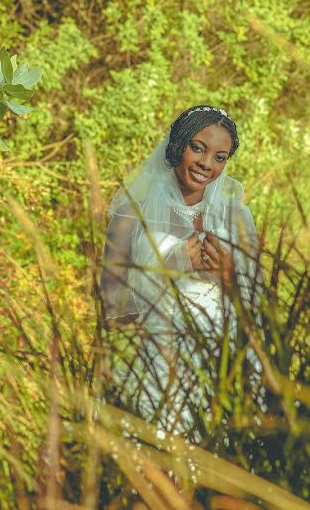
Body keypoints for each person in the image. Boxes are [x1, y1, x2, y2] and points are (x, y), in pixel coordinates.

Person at [100, 105, 262, 437]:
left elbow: (259, 310)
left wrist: (230, 275)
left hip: (220, 366)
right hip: (158, 368)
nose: (206, 164)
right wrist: (168, 267)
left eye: (220, 157)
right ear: (177, 144)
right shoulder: (130, 215)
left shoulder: (237, 218)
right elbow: (111, 311)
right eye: (198, 148)